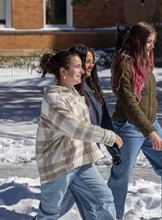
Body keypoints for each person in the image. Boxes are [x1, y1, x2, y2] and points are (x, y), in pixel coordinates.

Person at [107, 21, 162, 219]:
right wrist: (150, 132)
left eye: (153, 41)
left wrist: (151, 128)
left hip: (150, 123)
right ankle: (109, 216)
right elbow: (129, 103)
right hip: (128, 127)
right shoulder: (124, 63)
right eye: (149, 42)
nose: (152, 46)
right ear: (138, 40)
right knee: (121, 177)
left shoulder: (144, 60)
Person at [34, 50, 123, 220]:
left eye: (81, 66)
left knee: (104, 199)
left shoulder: (74, 93)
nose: (82, 71)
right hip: (59, 165)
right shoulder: (53, 99)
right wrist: (107, 136)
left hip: (80, 160)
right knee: (50, 213)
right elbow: (74, 128)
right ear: (63, 71)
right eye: (77, 67)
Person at [68, 44, 122, 165]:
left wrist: (114, 150)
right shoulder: (69, 91)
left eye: (93, 61)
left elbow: (104, 120)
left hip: (90, 152)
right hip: (73, 154)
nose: (91, 65)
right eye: (87, 61)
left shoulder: (92, 88)